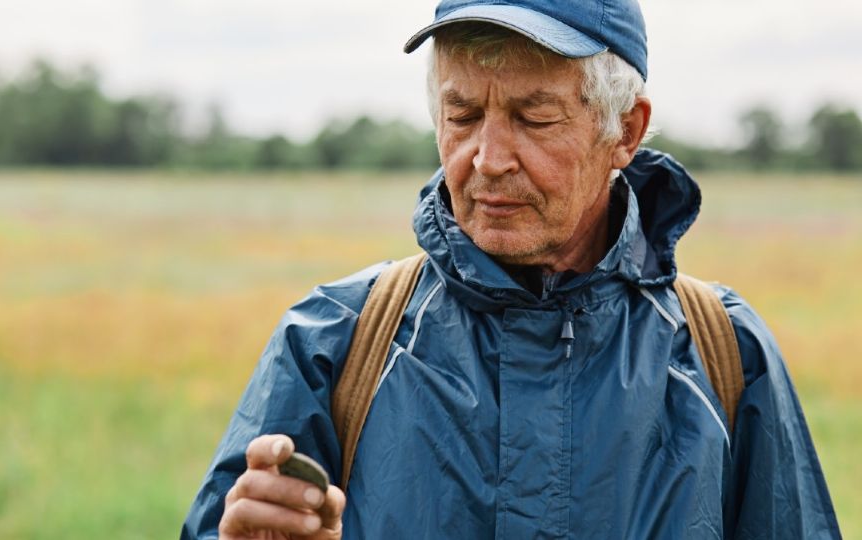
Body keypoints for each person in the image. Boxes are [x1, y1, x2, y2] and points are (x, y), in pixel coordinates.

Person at [182, 1, 841, 538]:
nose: (486, 157)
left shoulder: (726, 355)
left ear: (625, 131)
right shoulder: (334, 342)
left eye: (534, 116)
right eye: (462, 114)